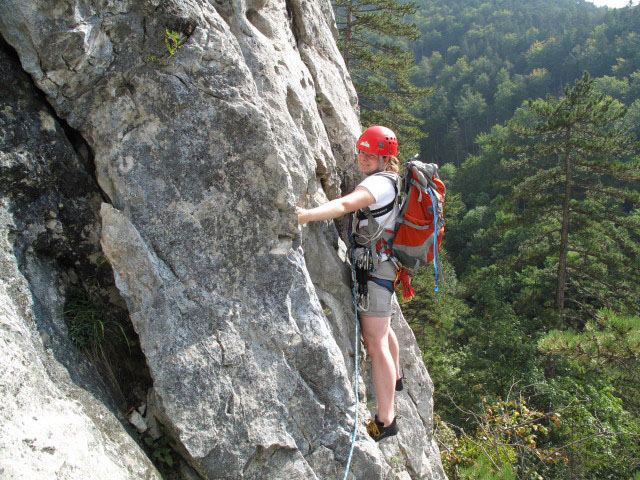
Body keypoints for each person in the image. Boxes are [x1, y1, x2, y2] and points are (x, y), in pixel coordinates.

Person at [297, 125, 402, 442]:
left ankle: (385, 420)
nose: (363, 158)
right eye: (361, 152)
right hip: (382, 266)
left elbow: (344, 205)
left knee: (375, 343)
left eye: (370, 154)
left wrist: (305, 216)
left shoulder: (379, 185)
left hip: (376, 273)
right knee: (384, 330)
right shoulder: (392, 179)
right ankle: (396, 377)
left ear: (385, 157)